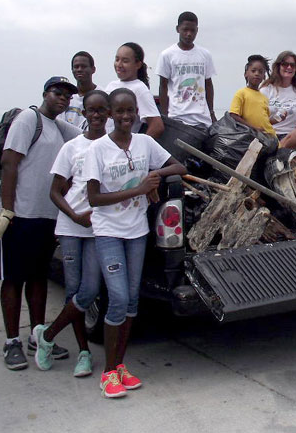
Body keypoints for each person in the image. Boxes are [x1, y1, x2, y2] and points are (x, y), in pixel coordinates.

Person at [84, 87, 187, 398]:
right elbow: (94, 198)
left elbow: (180, 166)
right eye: (120, 112)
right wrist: (139, 189)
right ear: (111, 114)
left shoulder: (144, 142)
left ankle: (119, 367)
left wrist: (154, 177)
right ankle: (107, 373)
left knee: (131, 300)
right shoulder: (98, 149)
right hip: (109, 232)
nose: (126, 117)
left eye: (131, 111)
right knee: (116, 298)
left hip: (136, 232)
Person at [0, 76, 82, 370]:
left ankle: (37, 337)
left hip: (46, 218)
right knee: (14, 279)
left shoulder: (59, 127)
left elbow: (88, 138)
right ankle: (11, 341)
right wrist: (8, 212)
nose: (63, 98)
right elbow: (9, 163)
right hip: (20, 216)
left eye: (67, 95)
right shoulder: (30, 118)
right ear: (44, 93)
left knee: (38, 279)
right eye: (57, 92)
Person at [32, 90, 109, 377]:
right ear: (85, 114)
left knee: (90, 289)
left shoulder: (115, 146)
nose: (97, 115)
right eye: (92, 110)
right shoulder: (71, 147)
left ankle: (48, 335)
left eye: (102, 110)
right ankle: (84, 353)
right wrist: (75, 215)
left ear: (109, 113)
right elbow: (54, 191)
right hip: (70, 227)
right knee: (73, 290)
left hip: (99, 229)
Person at [156, 11, 216, 127]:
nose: (189, 34)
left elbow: (208, 84)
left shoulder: (205, 54)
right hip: (177, 118)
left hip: (202, 119)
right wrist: (164, 116)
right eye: (185, 30)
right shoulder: (167, 55)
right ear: (178, 29)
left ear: (197, 30)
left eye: (192, 31)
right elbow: (163, 87)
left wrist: (212, 112)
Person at [105, 42, 164, 138]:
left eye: (125, 61)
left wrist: (139, 147)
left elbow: (157, 126)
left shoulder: (139, 89)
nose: (119, 64)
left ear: (138, 64)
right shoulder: (111, 85)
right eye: (117, 59)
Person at [260, 51, 296, 151]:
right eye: (285, 64)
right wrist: (274, 121)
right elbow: (259, 121)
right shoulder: (266, 90)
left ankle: (276, 152)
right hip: (269, 135)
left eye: (292, 65)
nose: (289, 68)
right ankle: (275, 153)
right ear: (278, 66)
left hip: (289, 138)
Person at [228, 55, 280, 137]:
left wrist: (277, 119)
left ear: (264, 76)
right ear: (246, 74)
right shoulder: (241, 93)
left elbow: (264, 120)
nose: (257, 74)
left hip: (270, 137)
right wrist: (253, 128)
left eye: (260, 72)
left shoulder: (264, 98)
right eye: (253, 71)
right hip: (255, 137)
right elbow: (233, 115)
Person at [57, 51, 99, 129]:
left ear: (93, 69)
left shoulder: (102, 96)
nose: (79, 69)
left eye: (83, 66)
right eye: (76, 67)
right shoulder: (66, 97)